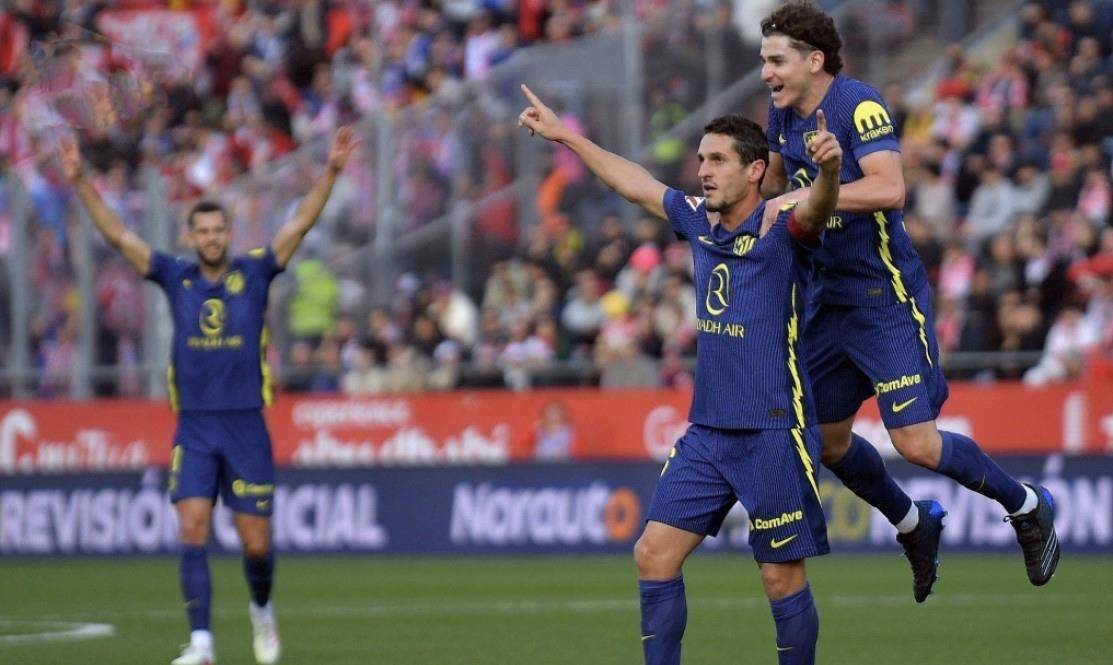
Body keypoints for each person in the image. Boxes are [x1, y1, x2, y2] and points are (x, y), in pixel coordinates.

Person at [519, 84, 842, 665]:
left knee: (779, 577)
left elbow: (818, 208)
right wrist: (565, 136)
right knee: (653, 554)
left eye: (718, 160)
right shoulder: (697, 220)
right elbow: (634, 183)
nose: (704, 171)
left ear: (755, 170)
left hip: (773, 428)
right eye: (701, 160)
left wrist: (830, 172)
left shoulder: (783, 227)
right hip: (709, 431)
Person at [758, 1, 1059, 601]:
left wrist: (803, 199)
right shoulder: (782, 113)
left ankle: (1027, 505)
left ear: (814, 60)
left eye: (776, 60)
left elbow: (890, 188)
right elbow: (768, 185)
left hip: (884, 300)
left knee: (916, 442)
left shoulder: (858, 105)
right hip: (826, 303)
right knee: (827, 441)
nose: (766, 73)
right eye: (763, 61)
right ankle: (913, 522)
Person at [60, 127, 358, 665]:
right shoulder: (174, 276)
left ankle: (261, 609)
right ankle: (201, 645)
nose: (213, 238)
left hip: (246, 424)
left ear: (228, 233)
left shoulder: (256, 270)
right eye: (204, 231)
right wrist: (81, 181)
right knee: (192, 527)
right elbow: (119, 236)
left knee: (256, 543)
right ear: (191, 237)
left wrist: (332, 171)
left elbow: (299, 224)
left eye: (220, 229)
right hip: (195, 426)